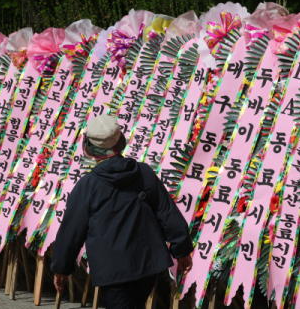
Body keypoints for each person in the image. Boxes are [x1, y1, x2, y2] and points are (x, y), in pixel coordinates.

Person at [51, 115, 194, 308]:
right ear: (120, 142)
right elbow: (168, 214)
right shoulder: (144, 173)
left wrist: (61, 267)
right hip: (148, 264)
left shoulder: (88, 185)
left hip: (112, 270)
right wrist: (182, 250)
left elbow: (72, 231)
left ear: (90, 148)